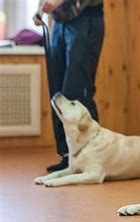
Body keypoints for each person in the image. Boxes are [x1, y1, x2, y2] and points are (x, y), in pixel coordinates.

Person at [34, 0, 105, 173]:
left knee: (77, 92)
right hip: (59, 21)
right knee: (58, 96)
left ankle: (94, 156)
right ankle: (67, 156)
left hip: (85, 18)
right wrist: (40, 10)